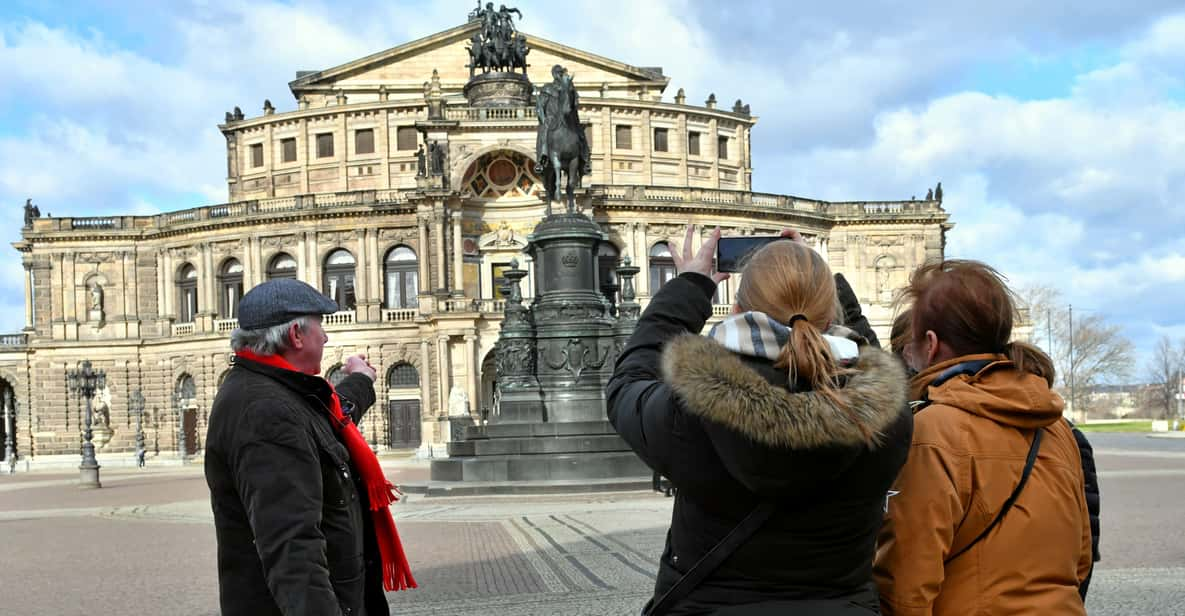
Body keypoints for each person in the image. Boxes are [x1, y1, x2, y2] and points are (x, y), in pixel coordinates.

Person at [607, 226, 913, 614]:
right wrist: (823, 286)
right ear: (829, 314)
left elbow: (628, 383)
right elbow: (879, 371)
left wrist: (690, 288)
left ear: (737, 311)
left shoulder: (692, 407)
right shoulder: (888, 416)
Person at [874, 260, 1092, 615]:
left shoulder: (933, 429)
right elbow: (1079, 558)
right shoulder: (1058, 427)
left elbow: (906, 586)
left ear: (929, 344)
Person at [205, 278, 416, 616]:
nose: (326, 336)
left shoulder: (272, 391)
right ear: (296, 335)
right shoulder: (266, 411)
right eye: (320, 325)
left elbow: (328, 418)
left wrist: (360, 378)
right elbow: (293, 550)